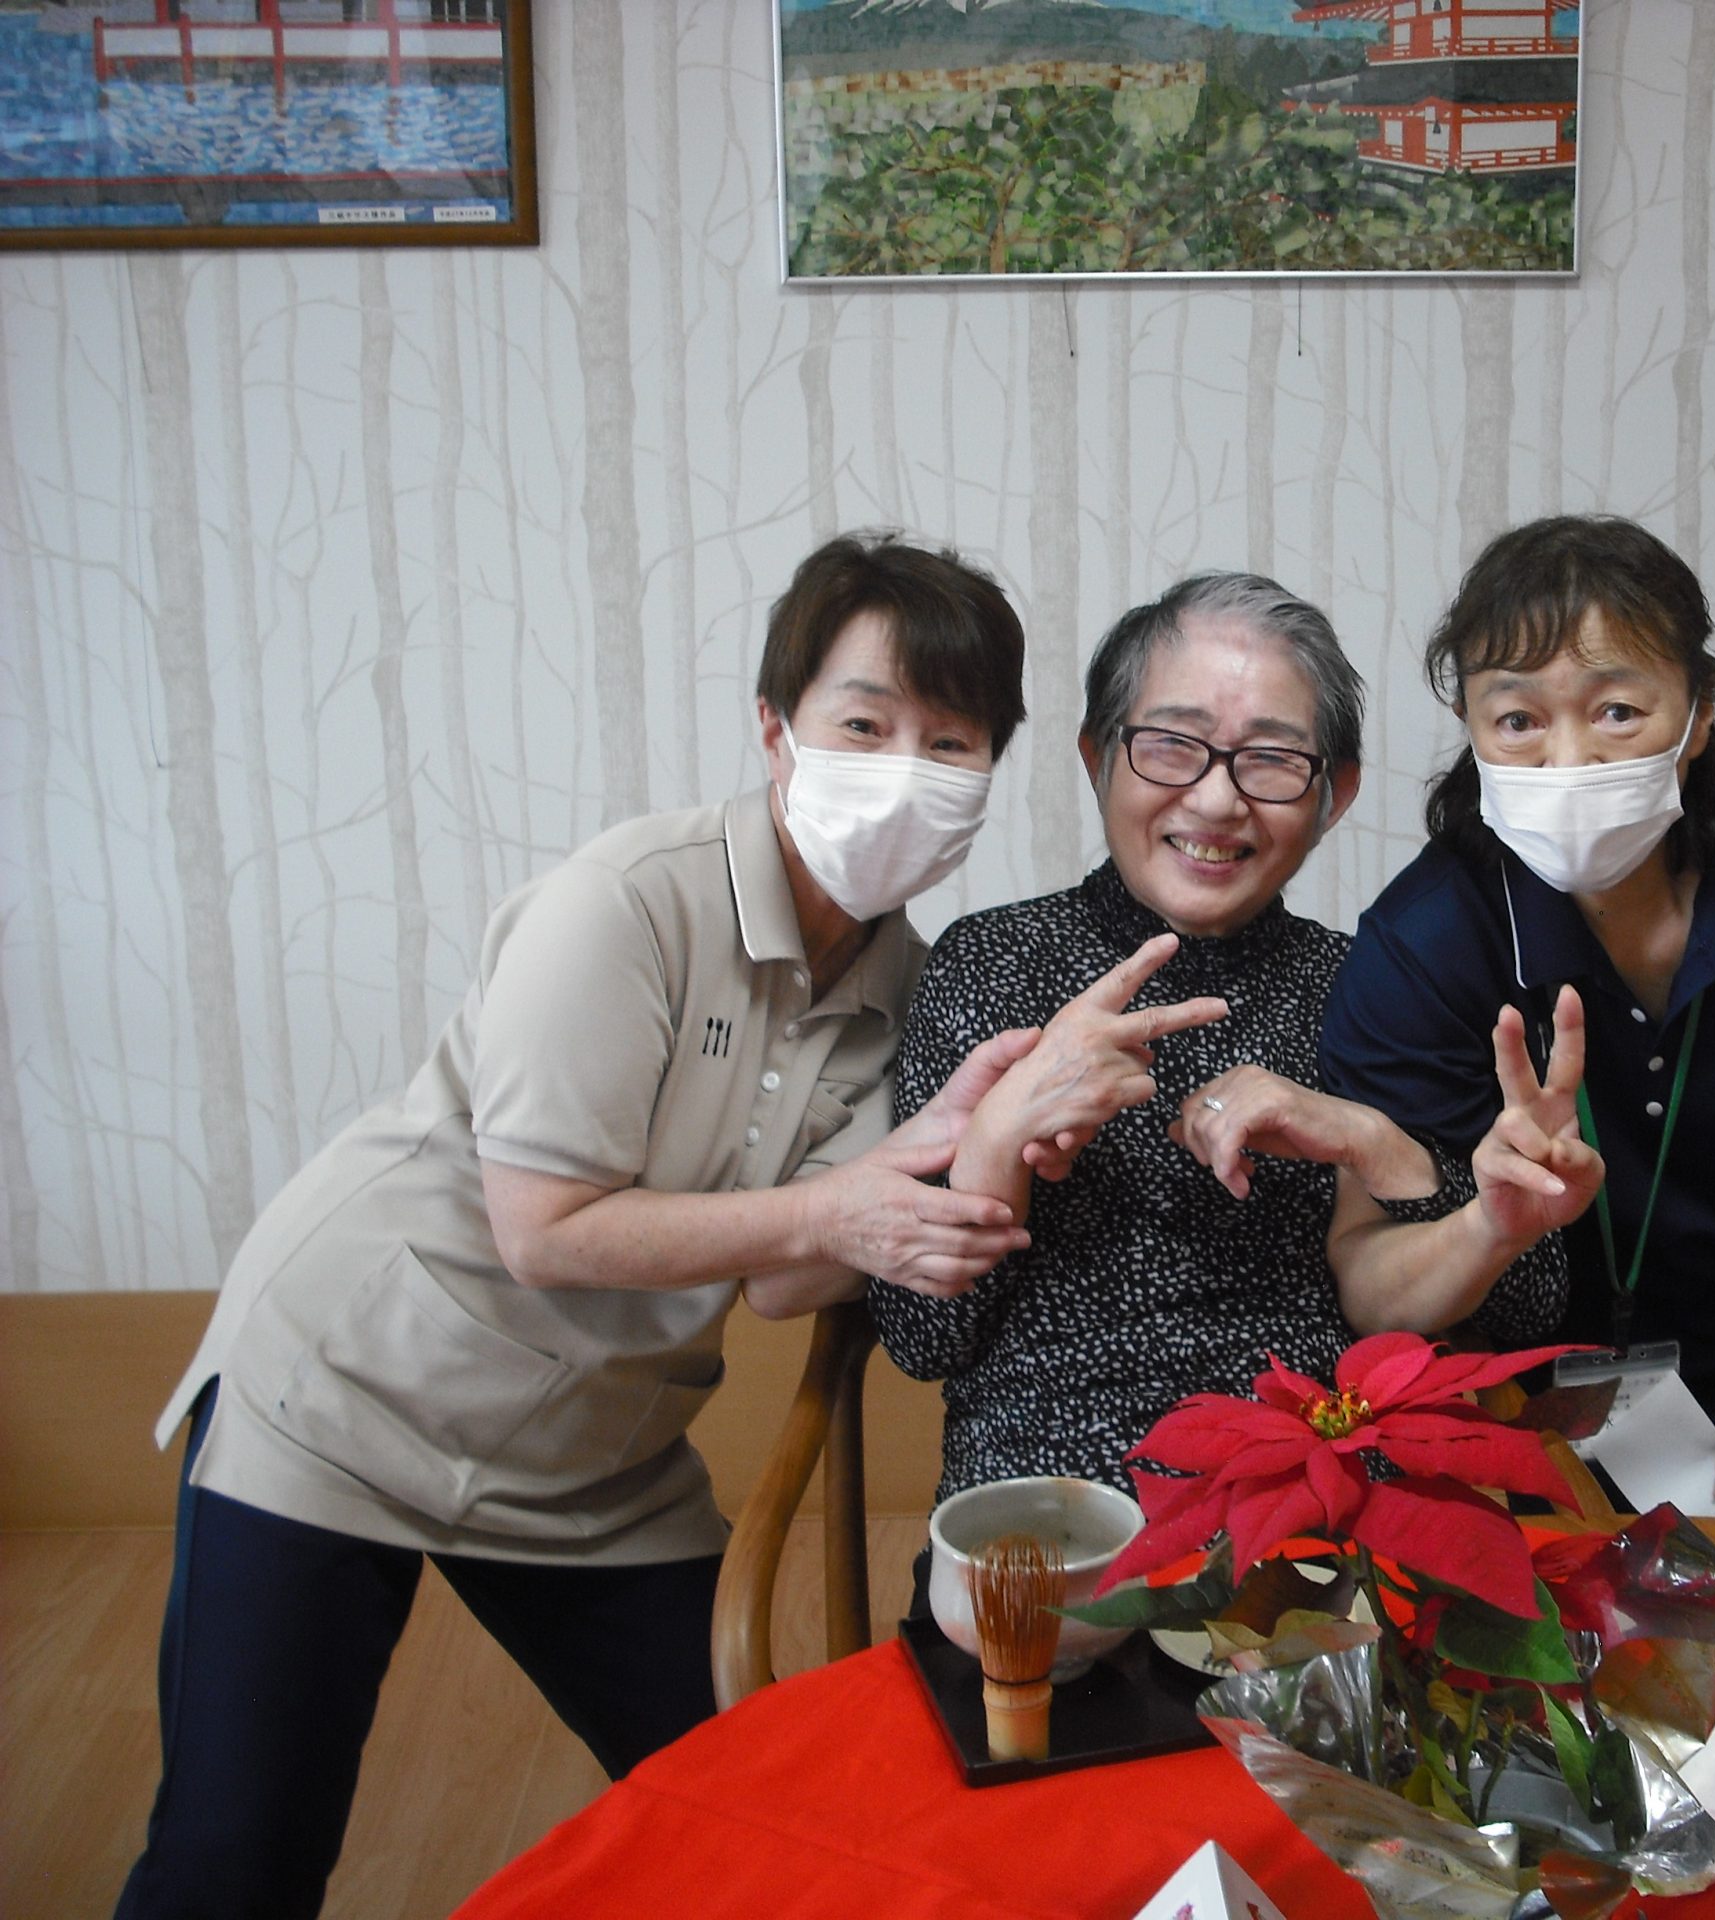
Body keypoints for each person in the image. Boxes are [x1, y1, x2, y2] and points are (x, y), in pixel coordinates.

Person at [119, 534, 1039, 1920]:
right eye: (865, 726)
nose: (904, 770)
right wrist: (844, 1205)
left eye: (950, 742)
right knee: (234, 1865)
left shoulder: (908, 986)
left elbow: (785, 1284)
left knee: (754, 1820)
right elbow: (544, 1229)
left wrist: (960, 1151)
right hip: (345, 1401)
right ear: (775, 729)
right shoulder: (628, 902)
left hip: (593, 1463)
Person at [869, 572, 1574, 1503]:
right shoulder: (990, 962)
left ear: (1335, 794)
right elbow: (921, 1341)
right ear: (1097, 756)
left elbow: (1528, 1305)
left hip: (1316, 1500)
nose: (1214, 801)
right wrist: (1000, 1138)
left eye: (1271, 760)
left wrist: (1370, 1139)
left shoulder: (1373, 984)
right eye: (1171, 745)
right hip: (1049, 1502)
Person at [1319, 515, 1715, 1526]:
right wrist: (1487, 1226)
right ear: (1471, 729)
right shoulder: (1423, 942)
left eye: (1616, 711)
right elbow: (1369, 1280)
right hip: (1537, 1395)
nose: (1568, 761)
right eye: (1517, 720)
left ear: (1697, 715)